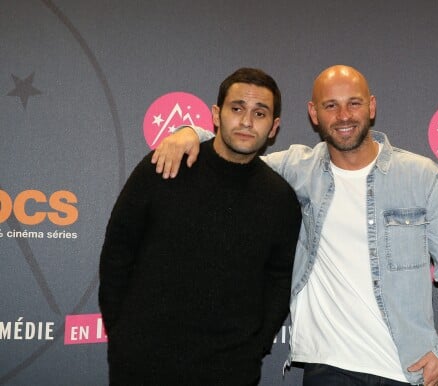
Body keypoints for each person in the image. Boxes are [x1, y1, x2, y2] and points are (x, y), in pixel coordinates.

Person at [152, 65, 438, 386]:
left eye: (354, 103)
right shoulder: (299, 168)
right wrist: (190, 132)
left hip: (406, 368)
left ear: (372, 106)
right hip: (329, 367)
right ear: (313, 113)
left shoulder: (421, 176)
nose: (344, 115)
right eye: (330, 105)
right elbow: (238, 155)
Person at [98, 68, 302, 385]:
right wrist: (123, 334)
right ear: (216, 115)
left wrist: (253, 348)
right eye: (237, 108)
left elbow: (278, 284)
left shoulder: (280, 199)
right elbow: (118, 251)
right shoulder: (166, 165)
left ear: (273, 127)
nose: (247, 121)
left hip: (230, 371)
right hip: (140, 365)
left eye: (259, 113)